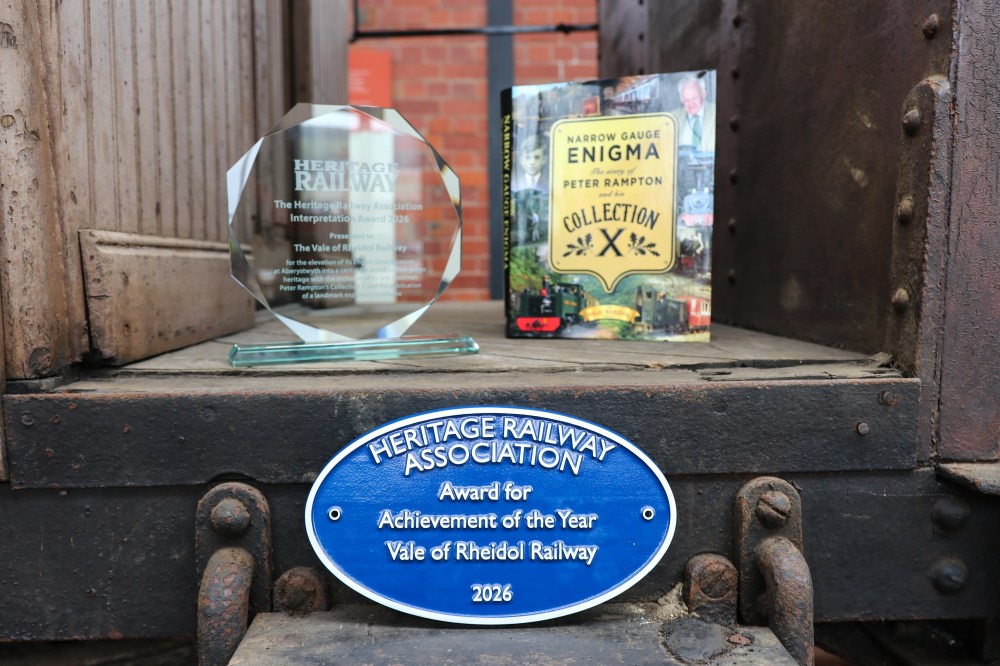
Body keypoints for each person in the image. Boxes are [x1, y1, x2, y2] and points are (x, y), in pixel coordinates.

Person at [670, 76, 716, 152]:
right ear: (681, 98)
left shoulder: (717, 112)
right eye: (686, 100)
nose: (691, 104)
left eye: (695, 98)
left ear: (704, 94)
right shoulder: (672, 118)